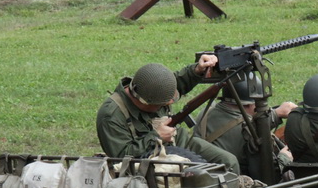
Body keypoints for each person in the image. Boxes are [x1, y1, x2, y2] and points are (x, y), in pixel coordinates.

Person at [97, 59, 240, 174]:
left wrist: (197, 70)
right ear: (144, 102)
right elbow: (121, 158)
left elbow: (176, 82)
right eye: (162, 105)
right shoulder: (111, 115)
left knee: (228, 162)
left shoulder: (155, 85)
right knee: (199, 177)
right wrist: (155, 137)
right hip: (148, 164)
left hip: (179, 142)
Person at [194, 76, 296, 179]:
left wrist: (276, 113)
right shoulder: (249, 133)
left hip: (201, 178)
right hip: (237, 187)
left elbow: (241, 121)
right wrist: (284, 158)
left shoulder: (205, 114)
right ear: (250, 105)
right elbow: (268, 178)